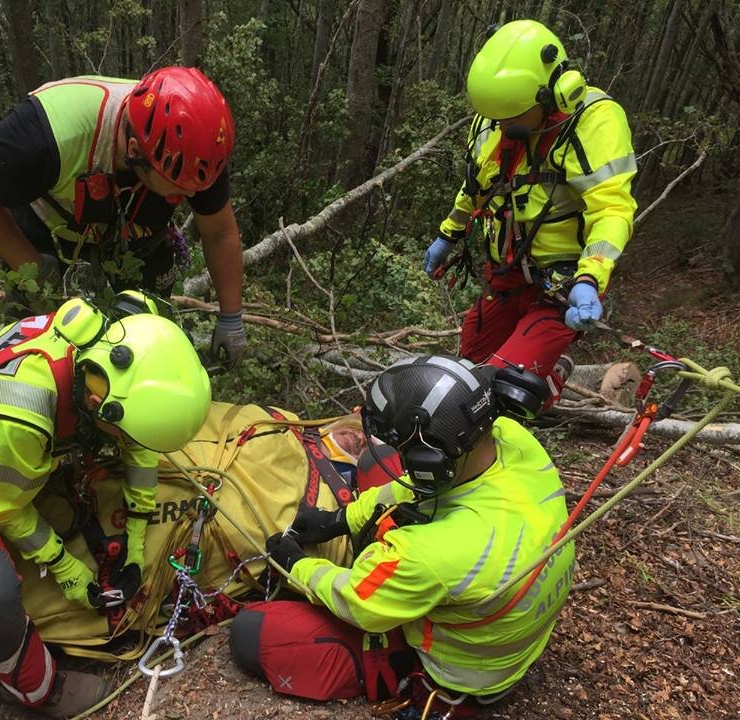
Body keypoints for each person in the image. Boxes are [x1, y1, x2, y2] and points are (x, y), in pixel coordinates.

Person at [0, 295, 211, 717]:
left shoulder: (128, 336)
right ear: (93, 401)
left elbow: (135, 443)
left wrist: (137, 533)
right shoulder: (20, 411)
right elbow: (2, 504)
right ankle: (35, 689)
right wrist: (62, 565)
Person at [230, 355, 575, 717]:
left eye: (411, 454)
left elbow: (356, 601)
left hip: (461, 673)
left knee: (252, 634)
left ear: (431, 463)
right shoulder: (512, 441)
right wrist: (341, 519)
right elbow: (413, 486)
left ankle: (397, 668)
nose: (406, 462)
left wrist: (297, 565)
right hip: (504, 630)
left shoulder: (432, 554)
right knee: (373, 467)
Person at [0, 66, 247, 364]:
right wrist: (30, 265)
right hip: (48, 225)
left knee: (146, 348)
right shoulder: (48, 132)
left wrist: (232, 318)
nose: (185, 200)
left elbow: (219, 232)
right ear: (134, 150)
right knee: (43, 356)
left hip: (134, 232)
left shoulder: (198, 152)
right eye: (176, 192)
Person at [424, 19, 637, 405]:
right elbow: (478, 186)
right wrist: (448, 233)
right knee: (468, 364)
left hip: (560, 286)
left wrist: (590, 278)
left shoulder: (592, 123)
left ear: (553, 94)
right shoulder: (495, 116)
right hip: (506, 277)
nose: (502, 125)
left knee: (504, 390)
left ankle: (547, 381)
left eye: (511, 117)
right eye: (496, 117)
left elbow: (612, 208)